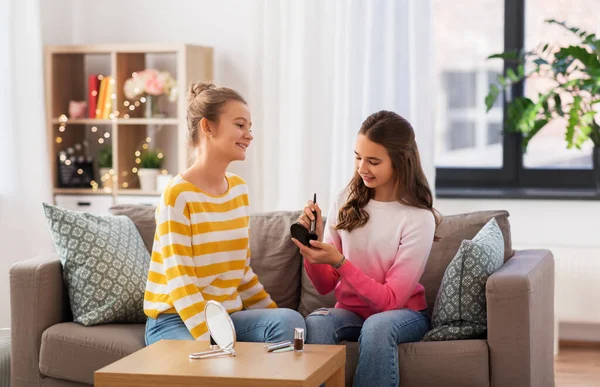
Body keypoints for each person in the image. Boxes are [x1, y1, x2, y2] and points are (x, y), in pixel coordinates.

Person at [145, 82, 305, 345]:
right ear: (208, 127)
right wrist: (216, 343)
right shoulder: (177, 195)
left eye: (249, 128)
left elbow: (241, 272)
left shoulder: (238, 191)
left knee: (289, 321)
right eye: (240, 125)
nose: (249, 135)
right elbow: (181, 282)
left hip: (225, 316)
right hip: (176, 318)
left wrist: (274, 317)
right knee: (208, 369)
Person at [292, 110, 440, 387]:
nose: (362, 168)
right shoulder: (345, 201)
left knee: (378, 325)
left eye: (373, 161)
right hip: (350, 310)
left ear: (400, 162)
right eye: (358, 157)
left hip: (403, 314)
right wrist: (311, 251)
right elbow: (325, 287)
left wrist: (340, 262)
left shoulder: (418, 218)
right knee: (317, 322)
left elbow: (390, 301)